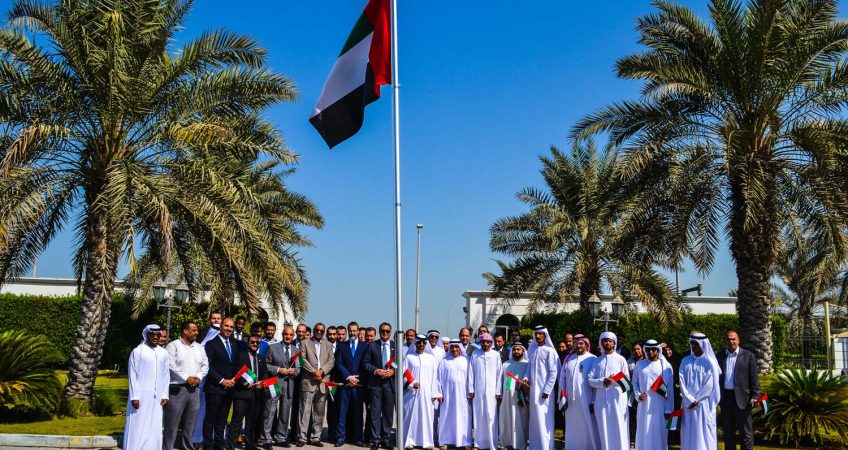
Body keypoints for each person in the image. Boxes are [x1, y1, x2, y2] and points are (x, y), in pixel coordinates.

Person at [164, 321, 208, 450]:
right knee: (172, 423)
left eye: (197, 330)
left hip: (194, 390)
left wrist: (198, 377)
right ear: (185, 331)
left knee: (191, 423)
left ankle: (187, 447)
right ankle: (168, 447)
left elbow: (205, 365)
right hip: (178, 389)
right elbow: (170, 365)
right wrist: (186, 378)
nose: (197, 332)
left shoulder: (199, 347)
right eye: (194, 330)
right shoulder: (173, 346)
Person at [124, 325, 169, 450]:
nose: (155, 337)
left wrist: (165, 394)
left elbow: (166, 375)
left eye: (158, 335)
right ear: (147, 335)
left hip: (157, 396)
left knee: (154, 424)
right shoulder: (138, 351)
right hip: (140, 395)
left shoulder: (163, 353)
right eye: (152, 335)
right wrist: (134, 396)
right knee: (137, 424)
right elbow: (132, 375)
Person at [717, 330, 759, 450]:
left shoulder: (748, 356)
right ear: (726, 341)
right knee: (728, 431)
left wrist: (755, 395)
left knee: (746, 432)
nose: (731, 341)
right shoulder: (719, 356)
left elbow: (754, 379)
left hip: (743, 399)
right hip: (726, 398)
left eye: (733, 339)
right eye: (728, 339)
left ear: (738, 340)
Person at [679, 332, 721, 450]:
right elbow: (681, 381)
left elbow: (710, 385)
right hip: (688, 404)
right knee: (688, 432)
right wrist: (689, 399)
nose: (693, 347)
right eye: (692, 343)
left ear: (703, 344)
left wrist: (697, 399)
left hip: (704, 404)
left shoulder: (710, 362)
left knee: (704, 433)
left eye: (696, 344)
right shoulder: (685, 361)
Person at [588, 331, 630, 450]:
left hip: (618, 399)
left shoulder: (621, 359)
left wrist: (613, 380)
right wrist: (603, 381)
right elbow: (590, 380)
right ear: (601, 343)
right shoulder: (597, 361)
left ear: (614, 343)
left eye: (610, 341)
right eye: (605, 341)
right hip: (601, 400)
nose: (607, 343)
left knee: (619, 426)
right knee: (604, 426)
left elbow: (627, 382)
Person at [262, 325, 300, 449]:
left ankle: (280, 437)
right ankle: (266, 438)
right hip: (274, 383)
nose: (288, 337)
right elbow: (266, 365)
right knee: (270, 411)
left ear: (293, 336)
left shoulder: (296, 350)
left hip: (289, 385)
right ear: (282, 335)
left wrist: (294, 371)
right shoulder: (272, 348)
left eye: (290, 335)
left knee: (285, 412)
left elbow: (299, 368)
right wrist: (279, 369)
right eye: (286, 334)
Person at [203, 317, 238, 450]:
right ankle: (208, 445)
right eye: (226, 326)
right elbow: (208, 366)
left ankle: (219, 444)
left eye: (231, 327)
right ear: (221, 326)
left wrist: (234, 379)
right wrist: (222, 380)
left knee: (222, 420)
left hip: (229, 389)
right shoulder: (211, 344)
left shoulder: (235, 344)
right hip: (215, 388)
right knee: (210, 419)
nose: (228, 329)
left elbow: (235, 365)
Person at [297, 323, 334, 447]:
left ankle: (315, 437)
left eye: (321, 331)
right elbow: (302, 360)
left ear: (323, 332)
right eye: (317, 330)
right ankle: (302, 437)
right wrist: (314, 371)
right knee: (304, 411)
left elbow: (331, 361)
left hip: (322, 382)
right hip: (309, 381)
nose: (319, 332)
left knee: (319, 412)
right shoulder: (305, 343)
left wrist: (322, 371)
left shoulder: (328, 345)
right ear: (313, 331)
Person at [560, 334, 600, 450]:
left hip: (587, 399)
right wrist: (562, 398)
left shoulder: (592, 359)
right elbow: (562, 378)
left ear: (586, 344)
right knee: (572, 426)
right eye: (576, 343)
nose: (579, 345)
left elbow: (595, 382)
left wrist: (593, 400)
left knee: (587, 425)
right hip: (570, 402)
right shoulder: (568, 359)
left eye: (581, 343)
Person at [632, 339, 674, 450]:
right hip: (644, 405)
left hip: (661, 406)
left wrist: (668, 409)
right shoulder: (639, 365)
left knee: (659, 432)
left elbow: (670, 390)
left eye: (653, 349)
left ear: (658, 350)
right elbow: (634, 384)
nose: (650, 352)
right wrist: (638, 395)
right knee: (643, 430)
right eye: (648, 349)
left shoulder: (666, 366)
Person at [191, 310, 224, 446]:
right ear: (209, 320)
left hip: (218, 378)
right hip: (202, 378)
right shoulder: (203, 334)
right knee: (200, 409)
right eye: (213, 318)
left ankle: (216, 438)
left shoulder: (226, 335)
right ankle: (197, 437)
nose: (216, 320)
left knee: (217, 411)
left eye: (218, 318)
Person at [434, 339, 473, 450]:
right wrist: (439, 393)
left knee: (464, 417)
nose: (454, 349)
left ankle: (465, 441)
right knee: (446, 417)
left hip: (463, 395)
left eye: (457, 347)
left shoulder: (467, 360)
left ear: (460, 348)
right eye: (452, 347)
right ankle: (445, 441)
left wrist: (471, 391)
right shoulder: (444, 361)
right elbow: (438, 379)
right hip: (447, 396)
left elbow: (471, 378)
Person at [364, 322, 397, 449]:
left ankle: (386, 439)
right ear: (379, 332)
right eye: (382, 331)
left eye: (387, 331)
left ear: (390, 332)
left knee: (388, 413)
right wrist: (375, 370)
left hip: (390, 384)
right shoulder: (373, 345)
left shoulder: (395, 346)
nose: (385, 333)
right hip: (376, 384)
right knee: (375, 413)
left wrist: (393, 371)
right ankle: (375, 439)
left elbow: (400, 362)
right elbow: (366, 363)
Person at [229, 336, 266, 450]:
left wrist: (262, 382)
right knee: (237, 420)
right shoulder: (240, 356)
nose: (255, 344)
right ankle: (231, 445)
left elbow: (264, 373)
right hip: (241, 393)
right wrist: (244, 383)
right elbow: (235, 372)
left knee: (251, 421)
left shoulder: (261, 357)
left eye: (257, 343)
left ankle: (250, 444)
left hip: (256, 394)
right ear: (248, 343)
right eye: (252, 342)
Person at [402, 334, 438, 449]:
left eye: (423, 343)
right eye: (419, 343)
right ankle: (409, 441)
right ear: (415, 344)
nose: (421, 345)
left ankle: (427, 442)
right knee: (410, 417)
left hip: (427, 394)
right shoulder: (409, 358)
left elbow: (435, 377)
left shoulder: (431, 358)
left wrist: (434, 393)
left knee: (426, 417)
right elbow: (404, 375)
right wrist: (412, 384)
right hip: (411, 394)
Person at [526, 325, 559, 450]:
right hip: (533, 391)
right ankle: (535, 447)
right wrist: (525, 379)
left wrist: (547, 390)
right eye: (536, 334)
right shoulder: (532, 350)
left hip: (545, 393)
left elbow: (553, 372)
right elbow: (529, 369)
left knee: (545, 421)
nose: (538, 336)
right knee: (534, 420)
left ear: (545, 335)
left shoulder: (549, 351)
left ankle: (546, 447)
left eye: (541, 334)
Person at [335, 321, 368, 447]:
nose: (353, 333)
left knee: (358, 412)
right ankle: (340, 437)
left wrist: (357, 379)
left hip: (358, 385)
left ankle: (358, 437)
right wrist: (348, 377)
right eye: (351, 330)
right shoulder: (342, 346)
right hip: (345, 384)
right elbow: (339, 363)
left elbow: (365, 364)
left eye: (355, 330)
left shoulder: (365, 346)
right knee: (342, 412)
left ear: (358, 331)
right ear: (348, 331)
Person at [469, 332, 502, 450]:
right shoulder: (475, 354)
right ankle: (478, 443)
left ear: (491, 343)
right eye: (483, 342)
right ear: (480, 342)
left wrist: (498, 391)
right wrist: (471, 389)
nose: (485, 344)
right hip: (478, 391)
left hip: (492, 392)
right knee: (479, 416)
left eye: (488, 342)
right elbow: (471, 373)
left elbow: (499, 373)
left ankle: (492, 444)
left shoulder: (495, 355)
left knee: (491, 416)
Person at [499, 341, 529, 450]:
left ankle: (521, 444)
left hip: (521, 398)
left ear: (523, 351)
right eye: (514, 349)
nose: (516, 351)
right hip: (507, 397)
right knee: (508, 419)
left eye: (518, 349)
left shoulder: (527, 364)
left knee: (521, 421)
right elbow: (502, 381)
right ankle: (508, 443)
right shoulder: (506, 364)